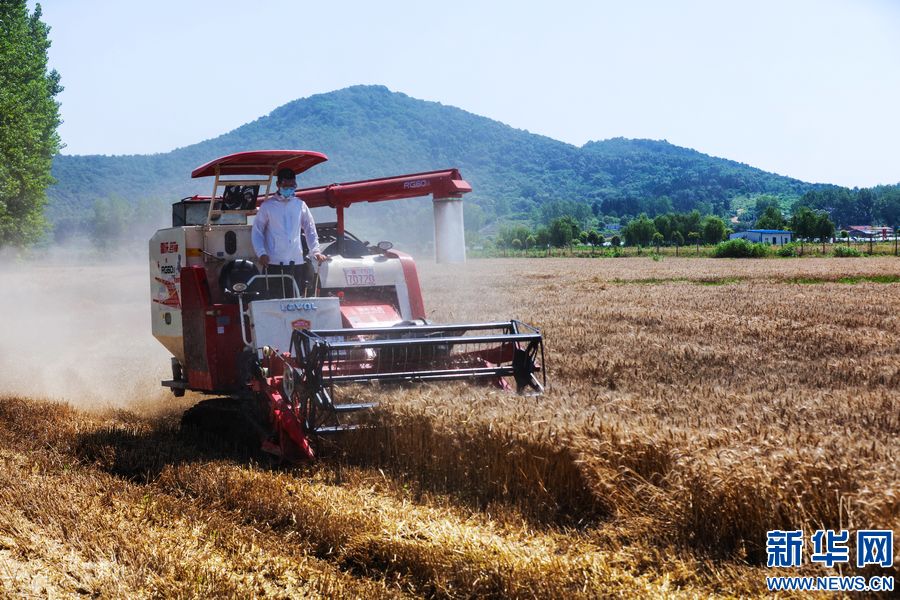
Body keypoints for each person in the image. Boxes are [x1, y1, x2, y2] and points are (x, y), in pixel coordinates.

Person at [251, 167, 327, 296]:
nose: (289, 189)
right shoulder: (268, 206)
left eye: (292, 186)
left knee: (295, 298)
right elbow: (257, 231)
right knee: (274, 300)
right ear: (278, 185)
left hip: (296, 261)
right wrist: (261, 253)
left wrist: (316, 251)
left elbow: (310, 229)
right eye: (286, 186)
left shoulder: (300, 204)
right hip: (273, 262)